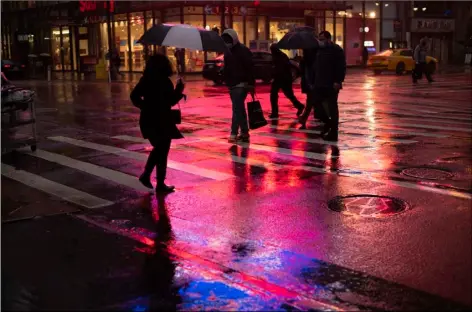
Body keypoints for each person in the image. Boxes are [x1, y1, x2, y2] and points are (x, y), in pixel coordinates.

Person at [130, 54, 185, 193]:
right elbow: (170, 101)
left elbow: (134, 96)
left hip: (149, 119)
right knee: (162, 149)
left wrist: (145, 107)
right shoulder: (165, 81)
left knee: (161, 149)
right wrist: (179, 89)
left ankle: (157, 181)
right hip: (161, 119)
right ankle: (149, 177)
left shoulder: (146, 79)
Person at [299, 31, 346, 141]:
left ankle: (333, 133)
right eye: (319, 39)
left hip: (331, 84)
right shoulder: (318, 50)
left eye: (322, 39)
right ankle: (328, 123)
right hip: (319, 84)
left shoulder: (336, 50)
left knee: (332, 108)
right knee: (317, 106)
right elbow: (312, 65)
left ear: (329, 39)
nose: (320, 41)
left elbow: (341, 66)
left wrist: (338, 81)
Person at [221, 28, 255, 143]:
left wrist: (251, 84)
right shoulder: (227, 51)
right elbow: (227, 67)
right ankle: (244, 132)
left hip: (241, 84)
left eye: (228, 40)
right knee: (239, 108)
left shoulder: (243, 51)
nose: (227, 43)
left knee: (236, 108)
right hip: (232, 84)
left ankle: (234, 132)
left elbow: (250, 68)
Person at [268, 44, 305, 118]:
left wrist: (274, 75)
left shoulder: (278, 57)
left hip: (281, 78)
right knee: (288, 95)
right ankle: (299, 106)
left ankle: (275, 112)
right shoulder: (282, 55)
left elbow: (279, 69)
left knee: (274, 95)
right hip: (285, 78)